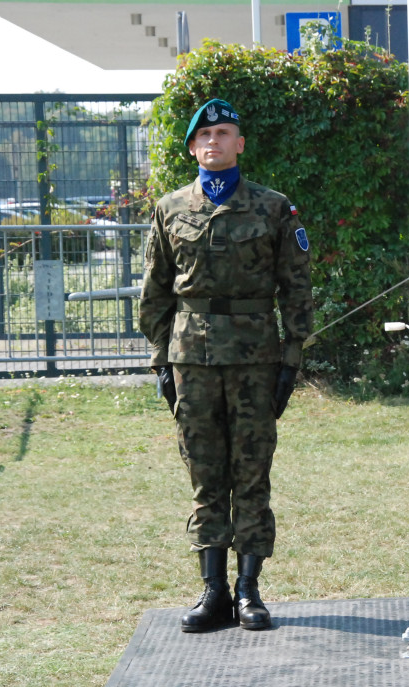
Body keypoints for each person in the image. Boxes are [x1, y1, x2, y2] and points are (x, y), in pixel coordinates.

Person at [139, 98, 313, 633]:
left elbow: (297, 289)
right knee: (205, 473)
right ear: (193, 147)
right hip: (191, 358)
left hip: (256, 358)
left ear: (240, 144)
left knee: (252, 471)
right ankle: (213, 590)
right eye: (205, 134)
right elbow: (155, 293)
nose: (214, 141)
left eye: (224, 133)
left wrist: (291, 360)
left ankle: (249, 590)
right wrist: (161, 360)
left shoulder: (273, 208)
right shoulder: (170, 210)